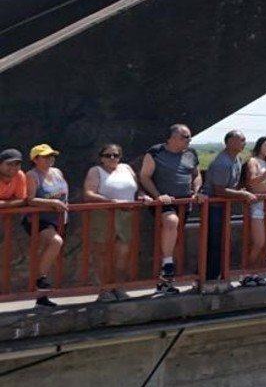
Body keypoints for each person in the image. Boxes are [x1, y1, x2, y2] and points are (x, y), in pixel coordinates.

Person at [138, 123, 202, 289]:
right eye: (185, 137)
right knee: (171, 222)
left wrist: (196, 191)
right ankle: (167, 264)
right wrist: (158, 196)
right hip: (164, 201)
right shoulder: (156, 152)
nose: (189, 140)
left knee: (175, 238)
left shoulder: (191, 153)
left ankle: (166, 280)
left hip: (184, 201)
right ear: (172, 138)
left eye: (189, 137)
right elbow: (144, 176)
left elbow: (196, 175)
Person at [82, 142, 141, 291]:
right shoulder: (95, 171)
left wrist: (142, 196)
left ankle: (118, 287)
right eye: (108, 155)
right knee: (101, 252)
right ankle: (104, 288)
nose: (112, 158)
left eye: (116, 155)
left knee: (123, 253)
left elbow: (137, 189)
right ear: (101, 157)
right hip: (104, 215)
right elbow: (88, 193)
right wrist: (111, 201)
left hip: (127, 215)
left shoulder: (127, 168)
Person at [203, 129, 253, 289]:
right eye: (241, 140)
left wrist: (239, 190)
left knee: (222, 241)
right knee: (214, 242)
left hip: (224, 206)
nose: (244, 142)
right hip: (214, 207)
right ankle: (210, 277)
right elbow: (219, 190)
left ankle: (216, 273)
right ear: (230, 142)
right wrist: (242, 194)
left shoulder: (236, 159)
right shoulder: (222, 163)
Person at [23, 145, 69, 306]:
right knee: (55, 242)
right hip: (39, 220)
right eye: (45, 156)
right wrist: (52, 202)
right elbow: (30, 199)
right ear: (35, 159)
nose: (50, 159)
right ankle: (39, 280)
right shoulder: (31, 175)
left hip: (59, 219)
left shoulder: (57, 172)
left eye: (51, 156)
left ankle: (41, 297)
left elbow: (64, 194)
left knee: (48, 256)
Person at [242, 136, 266, 274]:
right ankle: (248, 271)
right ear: (259, 146)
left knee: (265, 239)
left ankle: (257, 270)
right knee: (259, 241)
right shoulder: (253, 161)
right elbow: (253, 181)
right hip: (257, 203)